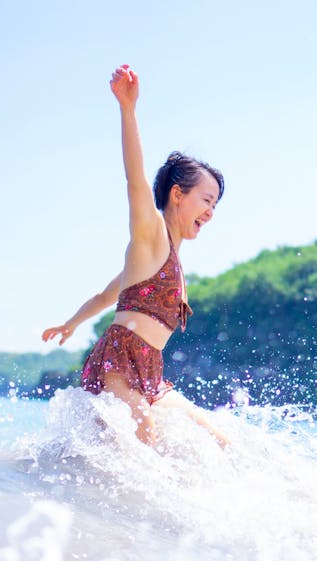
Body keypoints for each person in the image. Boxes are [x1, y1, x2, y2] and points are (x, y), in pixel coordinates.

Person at [42, 64, 228, 448]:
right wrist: (128, 109)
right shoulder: (152, 234)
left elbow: (108, 296)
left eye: (216, 205)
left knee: (217, 438)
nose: (211, 212)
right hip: (119, 359)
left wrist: (71, 323)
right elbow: (135, 178)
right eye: (206, 200)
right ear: (177, 195)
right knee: (144, 435)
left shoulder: (167, 257)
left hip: (150, 370)